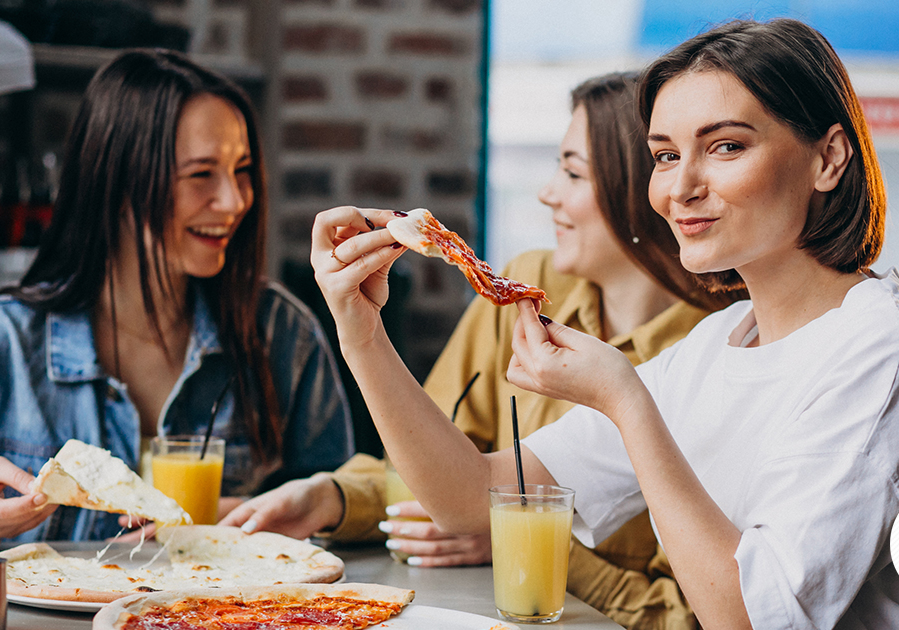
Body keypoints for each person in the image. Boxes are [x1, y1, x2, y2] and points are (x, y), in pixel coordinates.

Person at [310, 18, 899, 630]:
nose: (679, 186)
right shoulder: (719, 342)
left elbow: (750, 618)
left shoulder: (882, 351)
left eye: (724, 147)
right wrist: (362, 334)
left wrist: (625, 400)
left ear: (828, 159)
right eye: (664, 154)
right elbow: (472, 498)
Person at [221, 72, 741, 628]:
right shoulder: (527, 290)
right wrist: (334, 497)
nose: (547, 194)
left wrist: (526, 544)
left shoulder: (712, 357)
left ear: (639, 190)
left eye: (571, 172)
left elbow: (695, 611)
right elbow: (454, 477)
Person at [0, 49, 354, 543]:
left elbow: (348, 515)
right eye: (201, 174)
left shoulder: (281, 334)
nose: (234, 201)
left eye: (243, 169)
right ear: (118, 181)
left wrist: (296, 510)